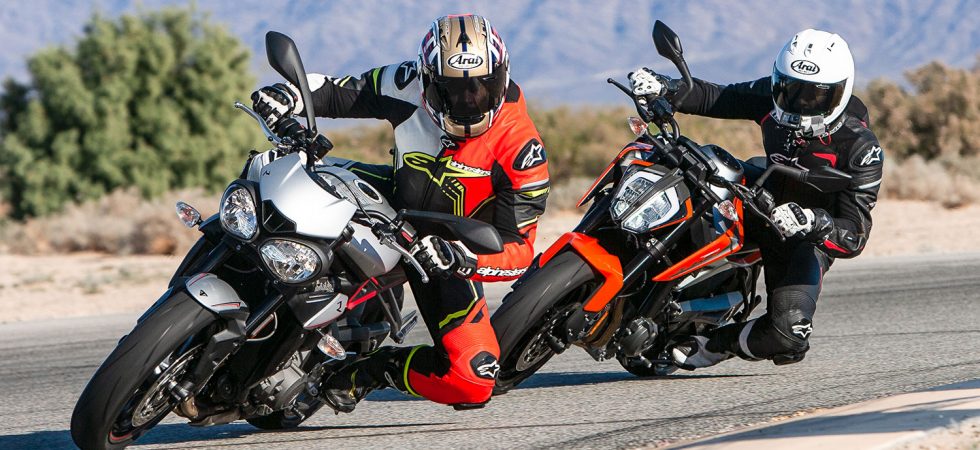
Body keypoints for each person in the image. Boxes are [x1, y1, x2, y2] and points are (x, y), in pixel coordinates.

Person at [251, 14, 549, 411]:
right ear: (427, 80)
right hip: (385, 202)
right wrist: (290, 95)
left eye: (482, 86)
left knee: (473, 380)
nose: (468, 101)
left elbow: (520, 251)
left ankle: (368, 371)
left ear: (503, 77)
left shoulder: (523, 149)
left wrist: (463, 259)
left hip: (443, 254)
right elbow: (338, 92)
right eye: (451, 90)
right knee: (271, 174)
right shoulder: (406, 82)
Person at [628, 29, 883, 368]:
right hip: (758, 195)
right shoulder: (774, 96)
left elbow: (855, 234)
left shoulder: (861, 148)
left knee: (789, 336)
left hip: (803, 237)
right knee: (697, 163)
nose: (799, 102)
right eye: (790, 89)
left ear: (840, 92)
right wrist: (665, 87)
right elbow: (718, 97)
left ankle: (712, 345)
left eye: (815, 96)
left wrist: (813, 221)